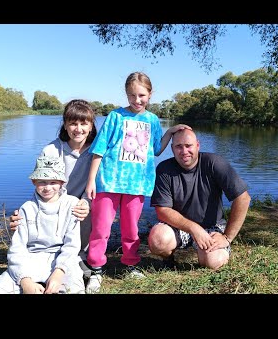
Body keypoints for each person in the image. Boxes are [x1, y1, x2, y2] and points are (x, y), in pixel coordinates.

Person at [84, 71, 191, 293]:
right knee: (101, 228)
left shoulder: (152, 120)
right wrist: (91, 180)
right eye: (132, 95)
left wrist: (170, 132)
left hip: (137, 184)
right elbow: (99, 150)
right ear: (126, 94)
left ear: (150, 94)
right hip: (109, 182)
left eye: (141, 95)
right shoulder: (115, 116)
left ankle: (130, 263)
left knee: (131, 229)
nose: (137, 100)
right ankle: (95, 269)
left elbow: (155, 150)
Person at [9, 99, 97, 276]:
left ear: (91, 126)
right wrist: (26, 215)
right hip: (55, 201)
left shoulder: (98, 152)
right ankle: (45, 255)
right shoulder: (50, 150)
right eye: (73, 123)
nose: (78, 129)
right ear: (65, 125)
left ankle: (82, 256)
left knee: (87, 208)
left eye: (83, 123)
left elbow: (99, 185)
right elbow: (41, 186)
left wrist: (86, 202)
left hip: (84, 203)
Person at [147, 128, 251, 270]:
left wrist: (227, 237)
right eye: (178, 146)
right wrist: (194, 229)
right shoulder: (164, 169)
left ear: (197, 145)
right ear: (172, 149)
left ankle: (208, 253)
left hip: (211, 227)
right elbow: (162, 210)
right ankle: (168, 260)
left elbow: (243, 198)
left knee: (214, 262)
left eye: (188, 146)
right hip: (180, 228)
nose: (184, 151)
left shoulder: (214, 163)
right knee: (158, 240)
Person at [0, 155, 85, 294]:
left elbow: (72, 245)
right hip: (31, 258)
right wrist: (25, 281)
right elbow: (17, 248)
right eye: (42, 182)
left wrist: (59, 273)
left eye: (53, 182)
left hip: (62, 260)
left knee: (74, 289)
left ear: (62, 182)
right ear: (34, 181)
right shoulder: (26, 208)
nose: (47, 187)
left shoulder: (72, 204)